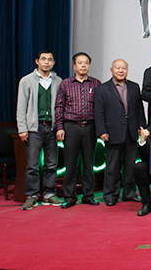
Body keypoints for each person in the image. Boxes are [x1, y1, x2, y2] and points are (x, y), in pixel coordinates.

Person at [94, 59, 146, 206]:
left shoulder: (134, 87)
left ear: (127, 70)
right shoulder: (102, 89)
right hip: (112, 132)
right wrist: (102, 131)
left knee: (130, 166)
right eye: (117, 68)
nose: (121, 71)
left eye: (124, 68)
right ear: (111, 70)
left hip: (131, 131)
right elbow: (99, 113)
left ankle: (129, 193)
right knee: (112, 167)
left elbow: (139, 109)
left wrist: (142, 127)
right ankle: (111, 195)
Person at [16, 50, 63, 210]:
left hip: (51, 127)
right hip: (34, 129)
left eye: (50, 59)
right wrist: (22, 128)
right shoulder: (27, 80)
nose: (46, 62)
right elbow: (21, 106)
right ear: (37, 61)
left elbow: (60, 106)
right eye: (43, 59)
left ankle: (49, 194)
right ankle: (32, 195)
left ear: (53, 63)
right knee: (32, 165)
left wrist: (59, 127)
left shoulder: (58, 81)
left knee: (51, 164)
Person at [55, 52, 102, 208]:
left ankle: (88, 195)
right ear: (74, 66)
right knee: (71, 164)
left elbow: (100, 108)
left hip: (90, 127)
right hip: (71, 127)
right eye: (80, 63)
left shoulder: (96, 84)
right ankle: (69, 196)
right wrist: (59, 127)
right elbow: (59, 107)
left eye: (86, 63)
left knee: (89, 164)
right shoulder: (65, 84)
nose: (83, 65)